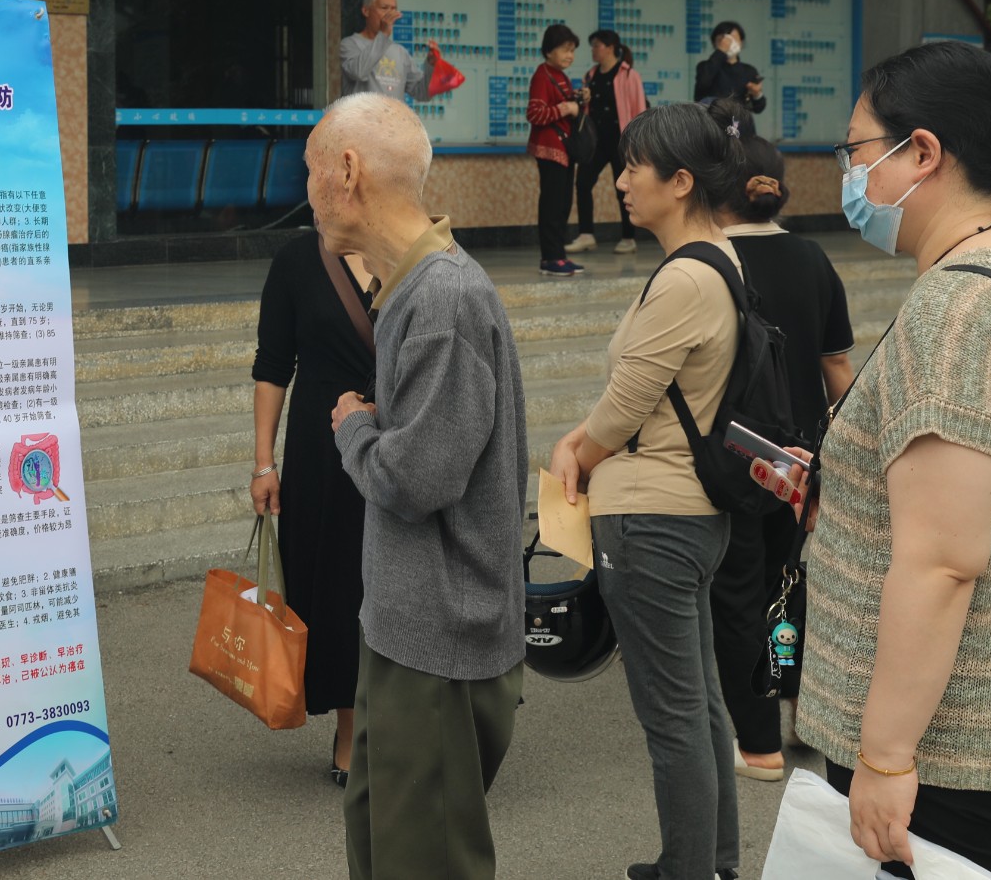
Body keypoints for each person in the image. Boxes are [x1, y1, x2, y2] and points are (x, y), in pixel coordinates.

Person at [755, 42, 991, 880]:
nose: (851, 174)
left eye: (857, 150)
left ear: (923, 152)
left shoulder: (958, 309)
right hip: (985, 716)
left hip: (940, 744)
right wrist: (847, 482)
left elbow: (942, 561)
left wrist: (886, 755)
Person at [310, 92, 526, 880]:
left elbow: (417, 478)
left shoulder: (442, 297)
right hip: (409, 628)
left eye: (309, 169)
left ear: (347, 170)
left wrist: (351, 427)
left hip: (440, 641)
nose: (307, 191)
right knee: (384, 848)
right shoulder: (415, 285)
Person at [549, 104, 749, 880]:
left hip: (651, 519)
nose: (622, 179)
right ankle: (710, 861)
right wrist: (586, 438)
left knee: (673, 716)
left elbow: (625, 406)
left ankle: (690, 869)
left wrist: (575, 449)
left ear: (682, 181)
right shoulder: (718, 259)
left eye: (636, 166)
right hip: (687, 511)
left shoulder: (685, 278)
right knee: (698, 704)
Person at [702, 99, 854, 781]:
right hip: (802, 459)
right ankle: (799, 710)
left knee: (736, 594)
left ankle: (757, 741)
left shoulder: (710, 262)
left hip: (734, 456)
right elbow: (838, 370)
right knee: (786, 583)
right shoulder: (812, 256)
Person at [250, 231, 375, 786]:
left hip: (402, 441)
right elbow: (273, 365)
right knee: (339, 588)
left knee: (402, 586)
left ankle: (406, 724)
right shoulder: (297, 260)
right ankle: (351, 729)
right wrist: (263, 463)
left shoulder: (414, 251)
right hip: (325, 455)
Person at [573, 28, 648, 256]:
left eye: (597, 45)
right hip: (595, 141)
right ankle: (586, 234)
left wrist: (638, 142)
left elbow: (639, 109)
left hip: (621, 141)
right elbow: (585, 109)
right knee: (583, 182)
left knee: (624, 188)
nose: (593, 50)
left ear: (611, 47)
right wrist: (583, 99)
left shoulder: (628, 74)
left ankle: (628, 237)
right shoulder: (591, 75)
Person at [526, 23, 586, 277]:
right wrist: (566, 108)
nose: (570, 55)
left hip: (565, 149)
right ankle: (550, 258)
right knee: (552, 205)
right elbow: (534, 113)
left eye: (572, 51)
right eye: (565, 50)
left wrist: (579, 101)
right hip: (550, 149)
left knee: (563, 204)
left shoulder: (561, 75)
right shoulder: (543, 75)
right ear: (549, 50)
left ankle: (559, 255)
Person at [340, 0, 433, 100]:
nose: (389, 13)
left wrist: (431, 65)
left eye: (393, 9)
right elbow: (358, 72)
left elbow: (423, 93)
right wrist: (383, 34)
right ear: (366, 11)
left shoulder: (399, 51)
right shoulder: (349, 44)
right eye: (384, 8)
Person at [694, 21, 766, 113]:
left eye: (733, 38)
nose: (728, 43)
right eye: (723, 40)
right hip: (711, 118)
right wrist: (721, 52)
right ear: (714, 43)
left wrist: (757, 94)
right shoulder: (705, 66)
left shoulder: (749, 71)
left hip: (738, 120)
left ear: (741, 42)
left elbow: (759, 108)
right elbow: (702, 83)